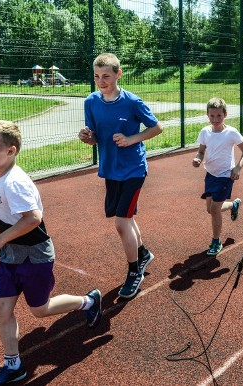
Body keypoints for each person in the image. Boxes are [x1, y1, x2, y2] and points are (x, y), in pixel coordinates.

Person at [0, 120, 102, 386]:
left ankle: (89, 302)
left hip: (34, 257)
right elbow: (20, 214)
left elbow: (33, 219)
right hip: (12, 256)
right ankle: (14, 366)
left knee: (40, 310)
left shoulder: (14, 182)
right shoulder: (1, 175)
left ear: (11, 151)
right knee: (1, 309)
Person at [78, 53, 162, 299]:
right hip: (110, 169)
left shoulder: (132, 102)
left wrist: (131, 139)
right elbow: (94, 137)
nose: (101, 81)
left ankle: (135, 271)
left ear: (118, 74)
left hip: (134, 169)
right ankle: (143, 253)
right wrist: (87, 138)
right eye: (96, 76)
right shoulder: (90, 102)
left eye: (106, 76)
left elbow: (156, 127)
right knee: (126, 218)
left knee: (121, 222)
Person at [192, 97, 243, 256]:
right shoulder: (205, 131)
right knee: (210, 209)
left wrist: (238, 167)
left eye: (219, 115)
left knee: (215, 209)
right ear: (207, 115)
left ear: (225, 114)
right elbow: (201, 151)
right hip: (210, 174)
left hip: (226, 175)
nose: (215, 119)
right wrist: (198, 158)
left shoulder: (231, 132)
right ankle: (233, 205)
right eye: (212, 116)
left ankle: (216, 241)